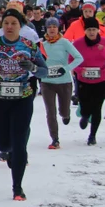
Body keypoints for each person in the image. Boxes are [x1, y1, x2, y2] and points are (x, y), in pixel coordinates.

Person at [0, 9, 47, 200]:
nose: (9, 26)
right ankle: (11, 151)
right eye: (6, 23)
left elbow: (44, 71)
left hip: (23, 98)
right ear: (1, 25)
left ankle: (17, 187)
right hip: (0, 99)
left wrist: (32, 68)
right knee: (3, 143)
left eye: (13, 23)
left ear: (20, 26)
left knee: (19, 141)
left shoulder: (29, 46)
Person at [38, 17, 83, 149]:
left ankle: (66, 114)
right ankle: (55, 139)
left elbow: (79, 57)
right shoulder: (42, 45)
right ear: (46, 29)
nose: (52, 29)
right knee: (50, 112)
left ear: (58, 29)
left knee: (63, 111)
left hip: (64, 82)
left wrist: (66, 69)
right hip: (47, 82)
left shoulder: (65, 43)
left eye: (54, 27)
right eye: (49, 27)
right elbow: (37, 61)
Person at [72, 18, 105, 145]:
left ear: (98, 30)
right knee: (85, 106)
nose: (91, 32)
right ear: (85, 31)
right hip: (84, 80)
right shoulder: (78, 43)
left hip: (101, 79)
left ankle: (92, 135)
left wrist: (103, 50)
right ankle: (85, 116)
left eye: (94, 30)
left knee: (97, 108)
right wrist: (79, 69)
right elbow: (71, 60)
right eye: (89, 30)